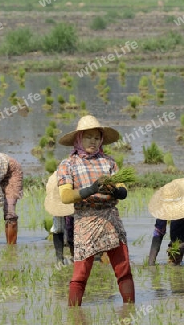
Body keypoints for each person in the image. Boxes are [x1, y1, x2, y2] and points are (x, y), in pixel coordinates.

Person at [57, 115, 135, 306]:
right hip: (86, 220)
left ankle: (129, 310)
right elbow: (65, 196)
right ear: (79, 139)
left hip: (111, 218)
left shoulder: (109, 162)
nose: (93, 141)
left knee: (123, 267)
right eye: (88, 137)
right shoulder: (68, 165)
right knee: (81, 272)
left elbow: (124, 190)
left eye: (96, 137)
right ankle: (74, 316)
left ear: (101, 140)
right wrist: (91, 189)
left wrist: (116, 190)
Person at [147, 177, 184, 266]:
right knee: (175, 248)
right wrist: (151, 263)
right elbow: (158, 232)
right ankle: (175, 266)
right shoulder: (164, 206)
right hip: (181, 219)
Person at [44, 171, 75, 264]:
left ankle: (75, 258)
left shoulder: (74, 174)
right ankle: (59, 259)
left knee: (73, 228)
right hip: (58, 195)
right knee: (58, 228)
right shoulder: (55, 178)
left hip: (74, 195)